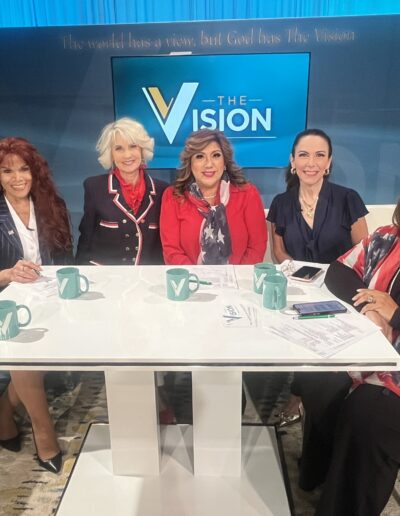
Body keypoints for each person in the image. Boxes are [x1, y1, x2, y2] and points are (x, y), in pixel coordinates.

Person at [298, 199, 400, 516]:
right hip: (367, 354)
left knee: (368, 415)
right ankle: (320, 474)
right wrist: (369, 307)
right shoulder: (386, 238)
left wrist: (395, 315)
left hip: (394, 378)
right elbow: (339, 270)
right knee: (317, 377)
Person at [267, 128, 369, 426]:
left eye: (319, 155)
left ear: (329, 162)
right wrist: (301, 276)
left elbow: (363, 252)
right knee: (302, 347)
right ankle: (298, 395)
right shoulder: (281, 203)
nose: (311, 163)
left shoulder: (348, 199)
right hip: (299, 291)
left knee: (332, 358)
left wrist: (330, 280)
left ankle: (335, 401)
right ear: (292, 161)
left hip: (340, 293)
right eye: (304, 155)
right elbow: (278, 252)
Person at [0, 137, 73, 473]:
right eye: (7, 171)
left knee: (42, 356)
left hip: (49, 298)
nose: (17, 178)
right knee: (25, 355)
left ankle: (3, 411)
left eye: (24, 169)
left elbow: (66, 257)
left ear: (35, 171)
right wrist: (8, 274)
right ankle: (45, 435)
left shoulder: (52, 205)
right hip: (6, 303)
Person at [160, 128, 267, 265]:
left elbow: (257, 247)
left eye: (216, 155)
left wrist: (236, 276)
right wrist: (196, 277)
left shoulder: (247, 194)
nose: (209, 164)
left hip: (238, 277)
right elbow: (172, 251)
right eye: (200, 156)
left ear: (225, 162)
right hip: (190, 277)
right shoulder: (173, 197)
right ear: (190, 163)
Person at [76, 117, 168, 266]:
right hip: (103, 275)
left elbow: (163, 246)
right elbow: (86, 239)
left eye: (133, 146)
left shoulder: (162, 190)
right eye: (119, 148)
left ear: (142, 149)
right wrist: (80, 273)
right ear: (110, 154)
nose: (127, 155)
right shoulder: (94, 187)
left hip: (145, 276)